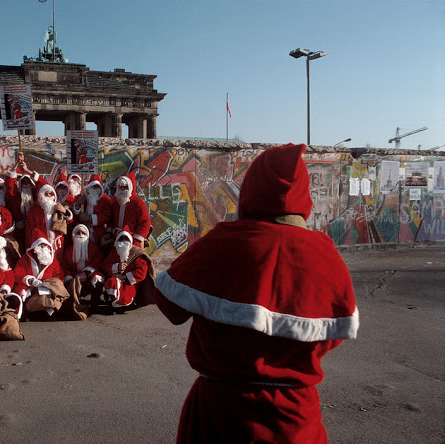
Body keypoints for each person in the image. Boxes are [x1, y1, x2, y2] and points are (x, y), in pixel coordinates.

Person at [154, 143, 360, 443]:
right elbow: (334, 336)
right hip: (295, 421)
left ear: (250, 189)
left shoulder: (221, 243)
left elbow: (169, 305)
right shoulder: (324, 254)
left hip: (219, 415)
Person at [13, 230, 84, 320]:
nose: (43, 247)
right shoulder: (25, 259)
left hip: (46, 289)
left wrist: (48, 284)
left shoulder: (52, 260)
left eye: (45, 245)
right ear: (34, 247)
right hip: (30, 288)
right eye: (40, 245)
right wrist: (30, 280)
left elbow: (59, 277)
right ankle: (26, 312)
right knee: (22, 293)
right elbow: (17, 274)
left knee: (55, 293)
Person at [102, 225, 155, 310]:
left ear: (130, 241)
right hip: (116, 279)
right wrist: (116, 267)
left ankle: (124, 304)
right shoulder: (114, 252)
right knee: (112, 282)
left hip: (131, 282)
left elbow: (141, 271)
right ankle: (114, 302)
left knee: (126, 293)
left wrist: (124, 276)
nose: (123, 241)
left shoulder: (137, 253)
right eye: (121, 239)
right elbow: (105, 266)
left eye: (126, 239)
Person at [25, 179, 73, 263]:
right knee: (44, 264)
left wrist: (64, 211)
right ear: (40, 194)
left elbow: (70, 220)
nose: (48, 195)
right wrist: (31, 247)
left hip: (57, 244)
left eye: (50, 193)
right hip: (42, 244)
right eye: (45, 193)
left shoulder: (58, 206)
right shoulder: (34, 209)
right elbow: (30, 230)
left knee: (57, 264)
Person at [60, 224, 104, 313]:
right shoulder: (69, 251)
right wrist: (71, 278)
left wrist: (86, 272)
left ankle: (94, 304)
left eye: (83, 233)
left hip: (90, 275)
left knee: (98, 278)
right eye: (78, 233)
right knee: (70, 283)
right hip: (75, 277)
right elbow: (65, 267)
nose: (80, 235)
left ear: (87, 235)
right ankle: (74, 303)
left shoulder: (93, 248)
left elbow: (98, 262)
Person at [107, 172, 151, 249]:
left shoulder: (138, 202)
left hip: (132, 240)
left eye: (125, 187)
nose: (122, 189)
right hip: (116, 239)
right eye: (120, 187)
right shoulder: (114, 202)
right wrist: (109, 232)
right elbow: (111, 219)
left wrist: (137, 238)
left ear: (130, 187)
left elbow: (145, 222)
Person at [73, 174, 111, 246]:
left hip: (98, 233)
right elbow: (74, 215)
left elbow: (106, 216)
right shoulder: (81, 196)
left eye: (97, 187)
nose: (94, 189)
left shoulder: (105, 199)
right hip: (82, 232)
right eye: (92, 186)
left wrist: (90, 218)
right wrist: (77, 205)